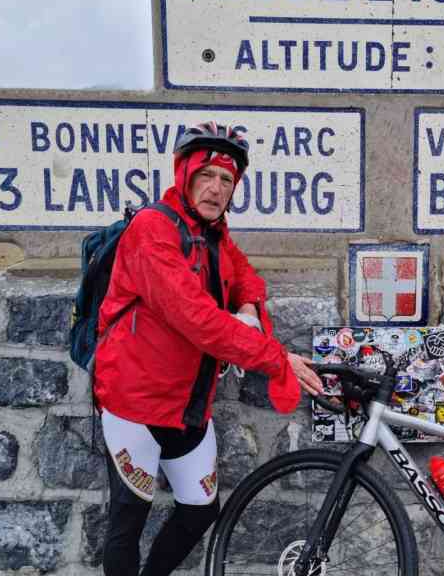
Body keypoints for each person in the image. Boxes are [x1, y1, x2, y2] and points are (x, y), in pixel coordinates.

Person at [92, 121, 324, 576]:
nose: (216, 188)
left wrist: (249, 307)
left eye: (227, 180)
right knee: (128, 519)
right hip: (134, 401)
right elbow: (196, 318)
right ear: (184, 174)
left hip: (189, 402)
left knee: (200, 509)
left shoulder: (213, 233)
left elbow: (244, 275)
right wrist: (276, 358)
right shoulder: (152, 229)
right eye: (206, 175)